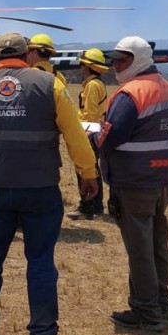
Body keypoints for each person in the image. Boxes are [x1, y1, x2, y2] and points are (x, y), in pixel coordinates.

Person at [0, 32, 98, 335]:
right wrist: (88, 173)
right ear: (27, 54)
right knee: (40, 262)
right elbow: (74, 133)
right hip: (39, 188)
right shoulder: (50, 84)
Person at [91, 36, 168, 332]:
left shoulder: (131, 93)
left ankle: (145, 311)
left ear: (139, 59)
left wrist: (93, 137)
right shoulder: (166, 87)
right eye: (113, 59)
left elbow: (110, 136)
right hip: (165, 178)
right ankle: (161, 302)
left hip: (136, 181)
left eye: (122, 59)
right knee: (157, 241)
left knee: (140, 248)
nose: (115, 65)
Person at [67, 48, 109, 220]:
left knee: (85, 170)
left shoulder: (91, 86)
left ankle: (87, 208)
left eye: (82, 64)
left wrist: (80, 132)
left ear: (87, 66)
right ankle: (97, 206)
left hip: (89, 130)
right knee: (94, 168)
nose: (80, 67)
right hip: (95, 129)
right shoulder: (97, 84)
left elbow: (89, 113)